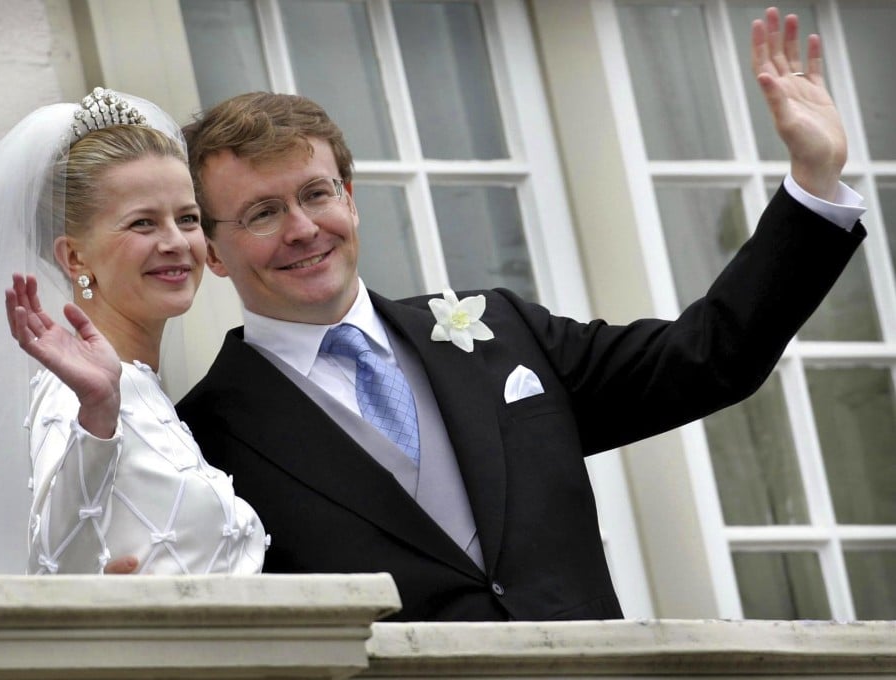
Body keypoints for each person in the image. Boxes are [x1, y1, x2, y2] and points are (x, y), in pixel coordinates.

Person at [169, 8, 866, 620]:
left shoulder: (503, 332)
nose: (302, 228)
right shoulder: (205, 435)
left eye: (316, 194)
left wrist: (813, 183)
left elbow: (709, 357)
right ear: (214, 250)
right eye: (263, 212)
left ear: (349, 199)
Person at [0, 88, 265, 575]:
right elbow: (54, 571)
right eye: (143, 223)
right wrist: (96, 413)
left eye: (188, 218)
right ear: (74, 257)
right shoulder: (77, 394)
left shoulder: (144, 391)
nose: (176, 242)